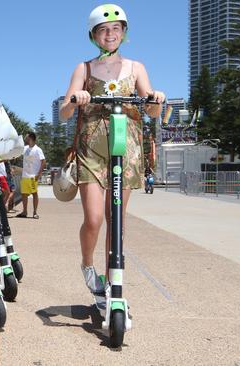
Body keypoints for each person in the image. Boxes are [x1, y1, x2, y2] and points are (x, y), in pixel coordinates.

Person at [58, 4, 165, 313]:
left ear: (124, 33)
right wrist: (76, 100)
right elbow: (65, 112)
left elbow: (152, 110)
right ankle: (87, 265)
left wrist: (156, 98)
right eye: (104, 30)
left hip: (126, 148)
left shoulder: (137, 68)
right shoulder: (85, 68)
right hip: (91, 148)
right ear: (94, 35)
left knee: (115, 219)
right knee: (93, 219)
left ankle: (111, 281)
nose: (110, 34)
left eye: (116, 29)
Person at [17, 132, 45, 219]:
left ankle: (35, 212)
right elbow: (16, 152)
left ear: (31, 138)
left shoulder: (37, 149)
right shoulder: (25, 148)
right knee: (24, 194)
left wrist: (39, 174)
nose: (25, 138)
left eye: (26, 137)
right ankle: (24, 211)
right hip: (25, 175)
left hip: (33, 176)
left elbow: (43, 161)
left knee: (34, 193)